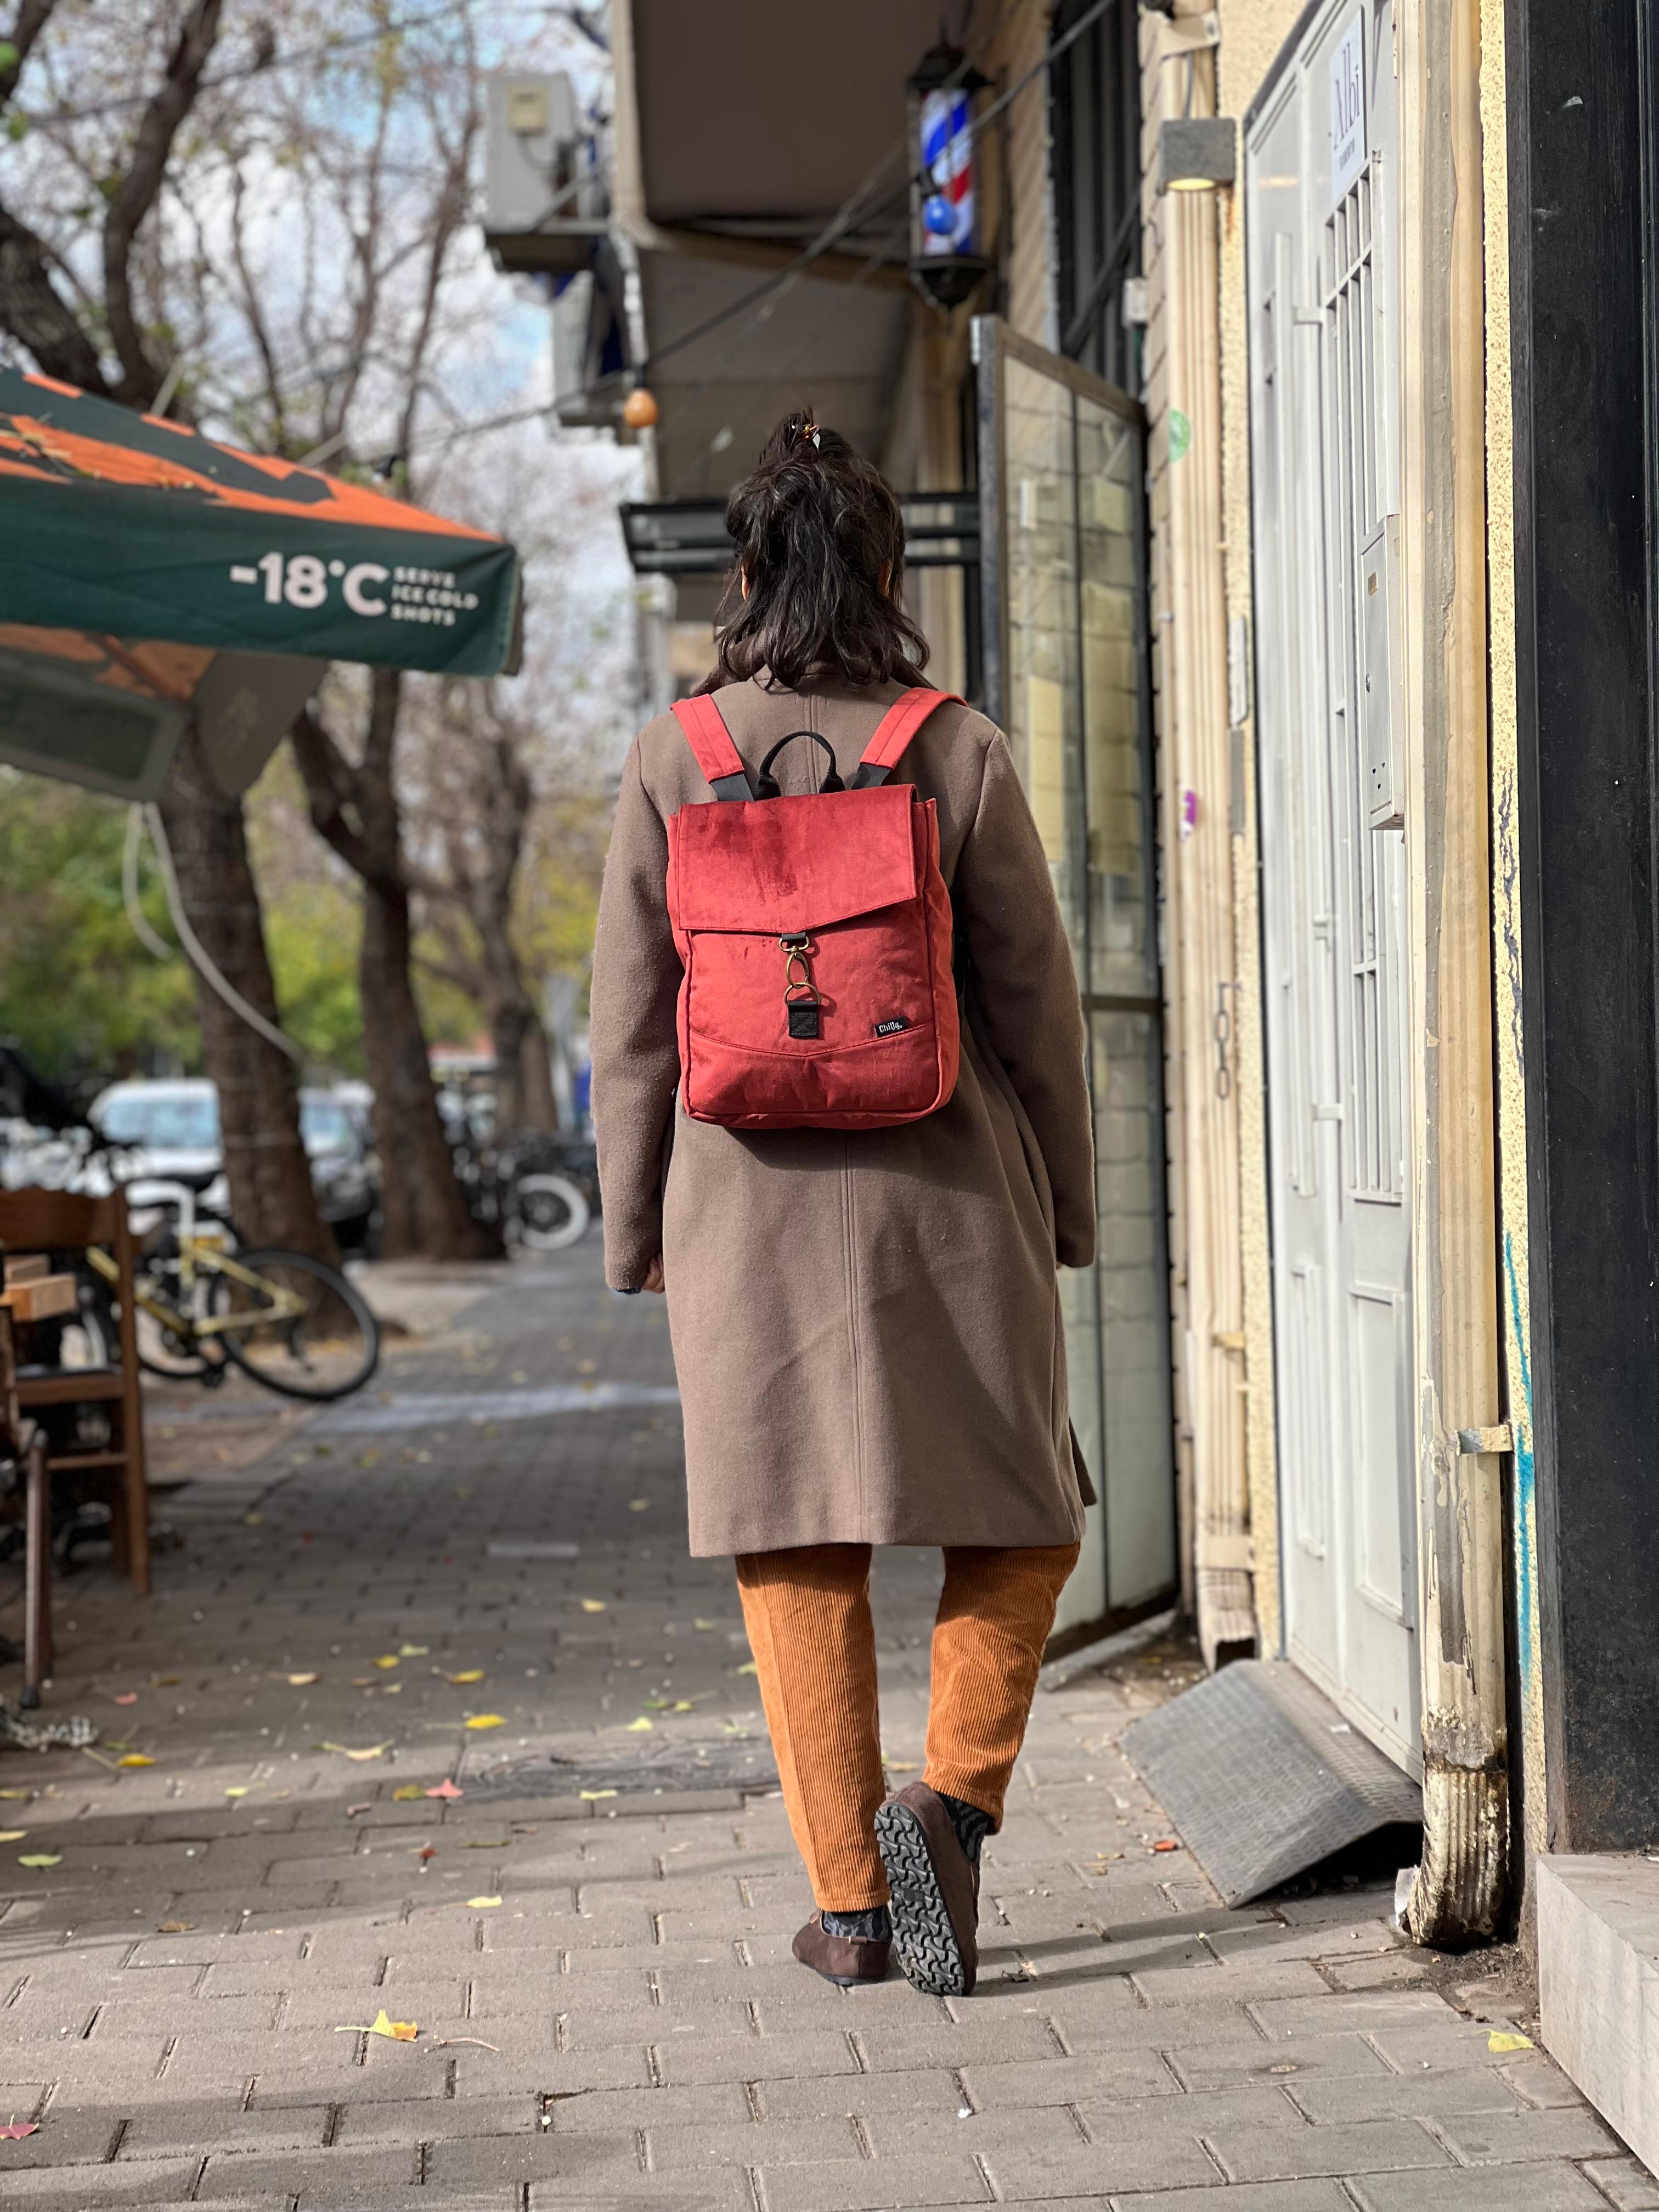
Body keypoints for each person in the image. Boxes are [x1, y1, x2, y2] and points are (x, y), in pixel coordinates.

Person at [589, 408, 1095, 1999]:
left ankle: (856, 1908)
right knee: (1022, 1509)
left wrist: (636, 1229)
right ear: (887, 567)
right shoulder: (957, 744)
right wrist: (1069, 1207)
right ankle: (950, 1802)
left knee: (789, 1533)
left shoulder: (678, 755)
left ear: (745, 572)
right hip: (954, 1185)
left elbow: (623, 1021)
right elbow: (1034, 1000)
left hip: (742, 1201)